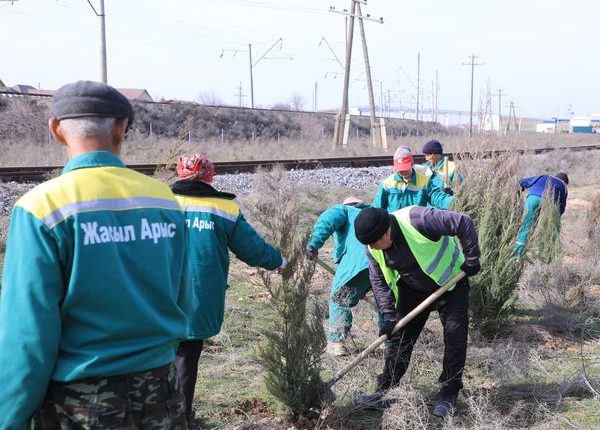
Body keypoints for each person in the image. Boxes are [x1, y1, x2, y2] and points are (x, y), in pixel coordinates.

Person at [0, 81, 192, 429]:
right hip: (162, 391)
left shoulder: (41, 209)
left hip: (79, 404)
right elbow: (184, 298)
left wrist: (9, 416)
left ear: (56, 129)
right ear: (122, 128)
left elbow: (27, 335)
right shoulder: (165, 201)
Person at [171, 153, 286, 426]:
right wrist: (279, 261)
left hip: (157, 295)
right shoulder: (224, 210)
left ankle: (162, 416)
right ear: (210, 177)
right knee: (186, 358)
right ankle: (181, 420)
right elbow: (253, 250)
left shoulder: (159, 203)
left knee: (158, 358)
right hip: (198, 297)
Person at [353, 206, 480, 418]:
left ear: (386, 232)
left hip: (451, 284)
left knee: (454, 335)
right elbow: (378, 280)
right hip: (412, 289)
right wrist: (388, 314)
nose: (374, 248)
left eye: (376, 243)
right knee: (399, 338)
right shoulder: (372, 246)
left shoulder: (419, 219)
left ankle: (449, 392)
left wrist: (472, 258)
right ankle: (386, 390)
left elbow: (463, 222)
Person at [306, 197, 381, 357]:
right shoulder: (375, 214)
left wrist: (313, 244)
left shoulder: (345, 210)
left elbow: (327, 220)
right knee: (383, 301)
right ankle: (389, 341)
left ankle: (337, 343)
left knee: (339, 300)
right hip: (382, 261)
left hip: (357, 262)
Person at [372, 146, 454, 212]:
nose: (403, 172)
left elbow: (438, 197)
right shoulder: (386, 184)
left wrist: (455, 203)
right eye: (400, 169)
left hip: (416, 228)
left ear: (412, 164)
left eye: (405, 168)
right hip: (394, 228)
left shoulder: (424, 182)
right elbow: (376, 210)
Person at [514, 172, 569, 256]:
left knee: (526, 224)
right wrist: (556, 218)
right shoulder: (564, 185)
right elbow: (561, 207)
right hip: (549, 201)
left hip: (532, 198)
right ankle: (546, 254)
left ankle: (518, 254)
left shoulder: (542, 176)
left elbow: (520, 182)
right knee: (551, 228)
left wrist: (516, 198)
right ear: (565, 182)